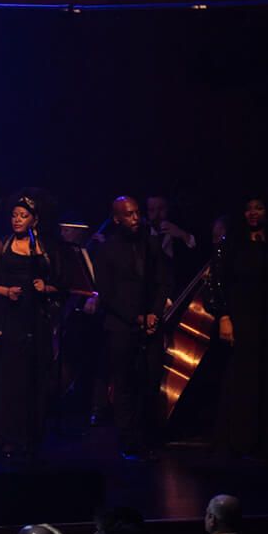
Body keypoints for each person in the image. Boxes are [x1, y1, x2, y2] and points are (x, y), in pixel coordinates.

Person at [0, 195, 66, 460]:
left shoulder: (46, 249)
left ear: (34, 220)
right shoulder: (1, 246)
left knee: (33, 380)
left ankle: (30, 438)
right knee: (6, 381)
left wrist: (46, 288)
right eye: (14, 215)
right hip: (6, 319)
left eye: (23, 215)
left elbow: (62, 286)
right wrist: (6, 291)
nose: (17, 220)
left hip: (34, 320)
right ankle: (3, 438)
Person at [88, 196, 169, 460]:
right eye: (129, 214)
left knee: (151, 378)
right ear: (117, 218)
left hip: (150, 323)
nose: (135, 218)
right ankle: (128, 439)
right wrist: (136, 317)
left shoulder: (151, 244)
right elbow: (108, 293)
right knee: (124, 382)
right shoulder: (108, 249)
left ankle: (148, 434)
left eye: (137, 213)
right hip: (121, 325)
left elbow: (160, 282)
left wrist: (154, 314)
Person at [211, 197, 268, 460]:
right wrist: (225, 316)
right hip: (242, 319)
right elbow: (219, 282)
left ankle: (267, 442)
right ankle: (239, 442)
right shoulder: (234, 245)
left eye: (259, 208)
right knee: (242, 380)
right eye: (249, 208)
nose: (253, 213)